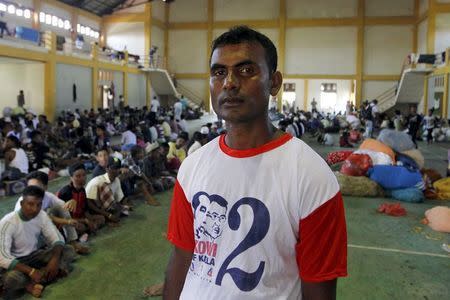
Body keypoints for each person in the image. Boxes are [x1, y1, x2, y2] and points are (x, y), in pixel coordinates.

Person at [163, 26, 347, 299]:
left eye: (246, 70)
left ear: (274, 82)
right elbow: (182, 258)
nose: (229, 83)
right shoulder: (193, 166)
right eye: (219, 72)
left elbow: (319, 289)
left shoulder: (311, 175)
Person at [0, 185, 76, 299]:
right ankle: (45, 276)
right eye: (30, 204)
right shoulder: (8, 222)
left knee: (68, 250)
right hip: (16, 262)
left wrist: (54, 261)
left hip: (35, 256)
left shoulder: (42, 215)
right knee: (11, 278)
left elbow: (57, 238)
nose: (35, 209)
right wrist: (31, 271)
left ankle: (35, 282)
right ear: (21, 204)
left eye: (39, 204)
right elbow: (2, 257)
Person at [14, 171, 90, 255]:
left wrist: (72, 201)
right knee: (66, 251)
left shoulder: (47, 196)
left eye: (36, 187)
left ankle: (72, 241)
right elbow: (46, 218)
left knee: (60, 208)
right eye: (30, 187)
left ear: (45, 187)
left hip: (41, 231)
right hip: (28, 238)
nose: (32, 190)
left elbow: (63, 206)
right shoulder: (24, 202)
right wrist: (68, 221)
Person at [58, 163, 106, 235]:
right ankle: (85, 231)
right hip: (68, 221)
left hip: (81, 219)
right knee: (80, 227)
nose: (82, 178)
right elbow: (65, 217)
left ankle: (88, 230)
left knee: (101, 218)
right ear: (71, 178)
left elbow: (85, 210)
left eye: (84, 175)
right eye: (78, 176)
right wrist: (85, 221)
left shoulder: (82, 190)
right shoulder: (66, 192)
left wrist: (90, 220)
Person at [85, 157, 128, 223]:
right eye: (114, 168)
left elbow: (118, 199)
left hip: (104, 207)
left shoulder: (117, 180)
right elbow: (89, 203)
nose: (117, 170)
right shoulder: (97, 181)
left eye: (118, 167)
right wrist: (109, 215)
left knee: (124, 210)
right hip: (91, 209)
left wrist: (119, 211)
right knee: (103, 185)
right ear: (107, 168)